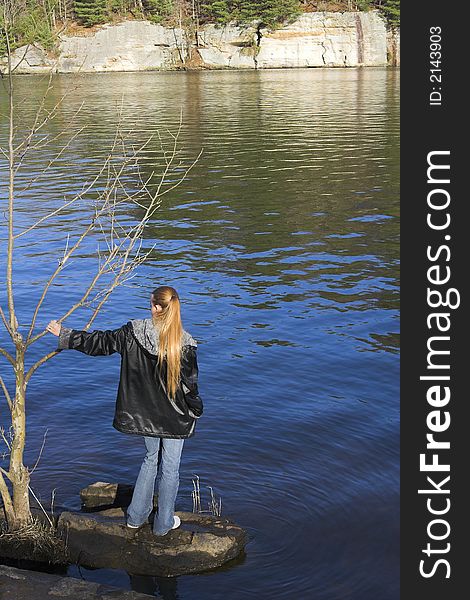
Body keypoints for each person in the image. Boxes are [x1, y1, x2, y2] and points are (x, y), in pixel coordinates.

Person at [46, 285, 203, 537]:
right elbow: (190, 388)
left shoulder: (134, 332)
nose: (148, 307)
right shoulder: (185, 342)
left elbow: (100, 343)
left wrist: (65, 335)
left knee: (150, 460)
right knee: (170, 468)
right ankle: (163, 525)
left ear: (156, 307)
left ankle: (135, 518)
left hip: (144, 414)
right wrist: (196, 410)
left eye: (150, 302)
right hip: (175, 417)